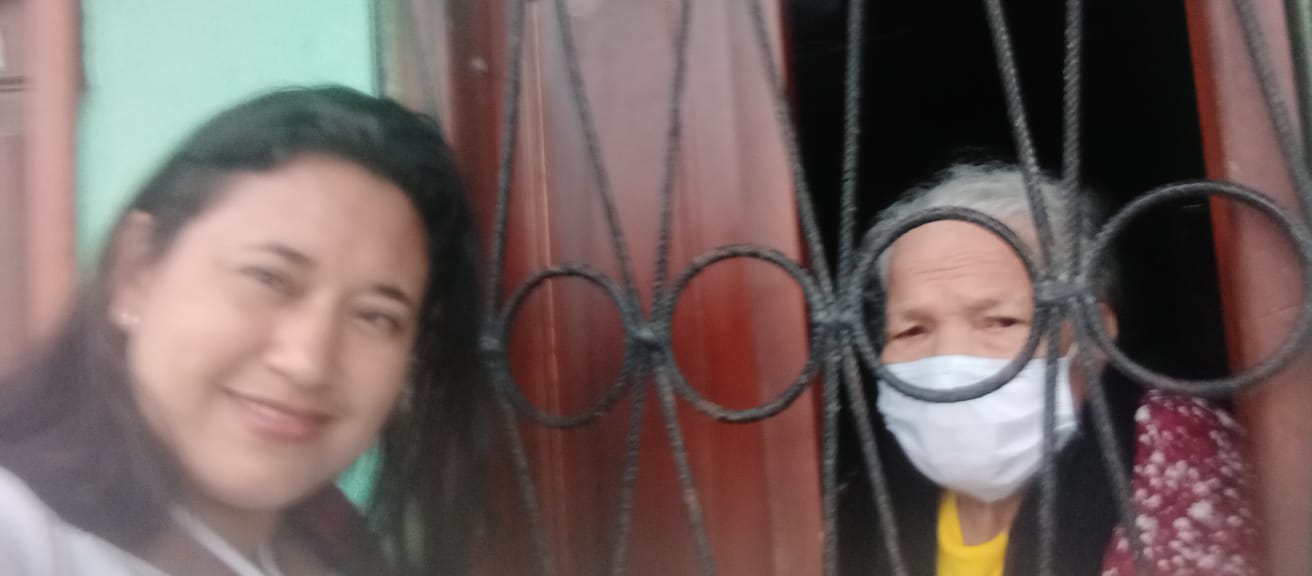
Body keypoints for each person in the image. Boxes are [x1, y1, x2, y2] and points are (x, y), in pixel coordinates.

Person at [0, 86, 487, 576]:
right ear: (137, 269)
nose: (308, 363)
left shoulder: (335, 542)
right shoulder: (20, 529)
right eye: (268, 278)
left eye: (375, 316)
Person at [843, 164, 1257, 576]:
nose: (949, 362)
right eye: (912, 330)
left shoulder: (1172, 452)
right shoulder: (865, 492)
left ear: (1092, 335)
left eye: (1001, 321)